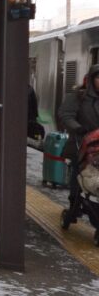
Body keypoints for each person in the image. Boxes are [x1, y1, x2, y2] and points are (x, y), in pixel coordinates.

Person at [57, 64, 99, 210]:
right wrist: (78, 128)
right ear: (91, 79)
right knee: (79, 173)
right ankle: (74, 203)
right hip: (81, 144)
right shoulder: (79, 96)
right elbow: (65, 114)